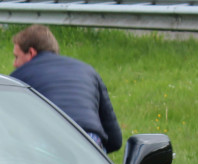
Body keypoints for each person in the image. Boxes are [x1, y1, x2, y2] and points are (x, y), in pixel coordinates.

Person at [9, 24, 123, 152]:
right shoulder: (87, 70)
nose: (15, 64)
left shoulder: (19, 77)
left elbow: (8, 129)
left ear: (31, 52)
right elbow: (115, 139)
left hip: (51, 141)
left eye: (16, 57)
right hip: (90, 141)